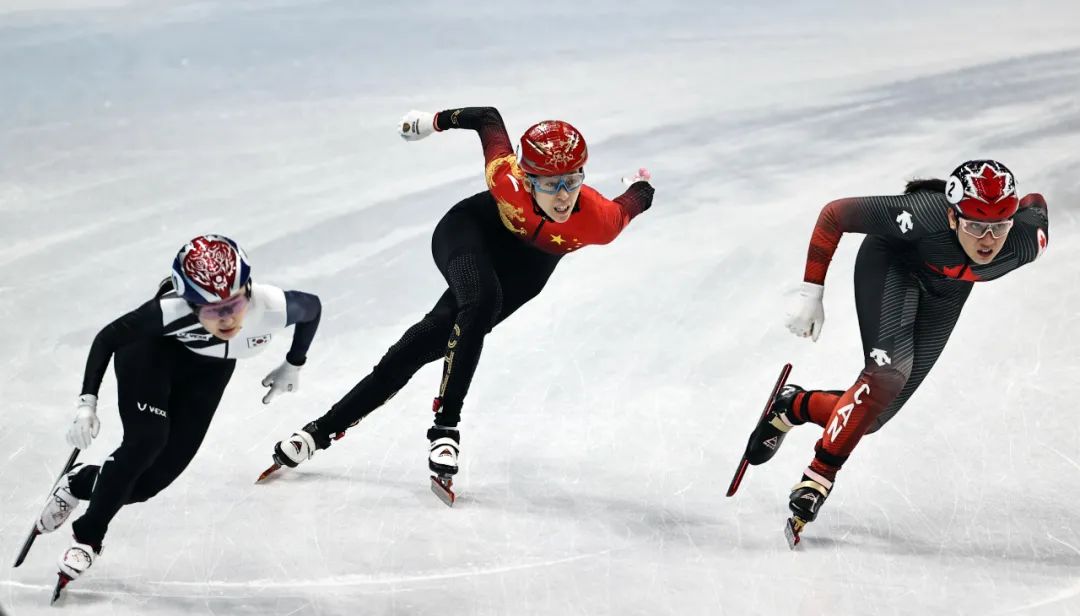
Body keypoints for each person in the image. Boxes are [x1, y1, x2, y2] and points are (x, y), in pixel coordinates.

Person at [269, 107, 653, 491]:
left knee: (420, 344)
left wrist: (640, 183)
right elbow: (487, 117)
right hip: (470, 233)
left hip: (526, 272)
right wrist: (430, 123)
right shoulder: (505, 177)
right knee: (480, 299)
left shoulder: (599, 221)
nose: (564, 195)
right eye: (551, 184)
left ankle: (317, 433)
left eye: (572, 181)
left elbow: (636, 201)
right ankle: (446, 428)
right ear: (527, 177)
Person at [744, 160, 1049, 537]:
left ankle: (792, 406)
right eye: (975, 226)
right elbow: (834, 214)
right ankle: (817, 479)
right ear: (953, 218)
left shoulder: (1025, 241)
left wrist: (1014, 217)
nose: (988, 240)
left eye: (998, 227)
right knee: (887, 376)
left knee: (871, 419)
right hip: (894, 263)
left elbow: (1036, 204)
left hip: (947, 291)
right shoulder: (922, 215)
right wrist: (812, 293)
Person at [35, 234, 322, 585]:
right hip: (151, 355)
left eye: (235, 303)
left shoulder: (274, 306)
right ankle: (89, 539)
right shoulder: (167, 313)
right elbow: (107, 339)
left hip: (210, 372)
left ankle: (79, 483)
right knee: (147, 440)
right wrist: (86, 405)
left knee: (149, 483)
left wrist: (294, 363)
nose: (229, 318)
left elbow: (314, 309)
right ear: (190, 304)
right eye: (214, 310)